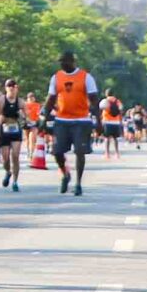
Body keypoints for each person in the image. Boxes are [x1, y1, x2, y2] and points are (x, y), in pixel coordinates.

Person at [48, 53, 97, 197]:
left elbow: (94, 100)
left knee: (80, 152)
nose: (62, 64)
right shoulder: (56, 77)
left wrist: (98, 121)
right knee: (57, 152)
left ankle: (78, 184)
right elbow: (51, 99)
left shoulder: (86, 77)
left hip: (81, 121)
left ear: (73, 62)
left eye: (65, 61)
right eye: (61, 62)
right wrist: (44, 119)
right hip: (61, 120)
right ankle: (65, 174)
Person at [0, 79, 26, 190]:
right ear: (6, 88)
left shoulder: (21, 102)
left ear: (16, 88)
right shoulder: (1, 100)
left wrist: (23, 117)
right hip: (4, 130)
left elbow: (26, 117)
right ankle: (8, 172)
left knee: (15, 156)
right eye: (9, 85)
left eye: (13, 85)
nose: (11, 88)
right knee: (5, 158)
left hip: (16, 130)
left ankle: (15, 182)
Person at [98, 89, 124, 160]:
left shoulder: (105, 101)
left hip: (107, 121)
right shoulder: (117, 101)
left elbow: (100, 107)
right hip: (116, 122)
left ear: (106, 94)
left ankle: (107, 154)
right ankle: (117, 154)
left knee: (107, 138)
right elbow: (121, 110)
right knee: (115, 138)